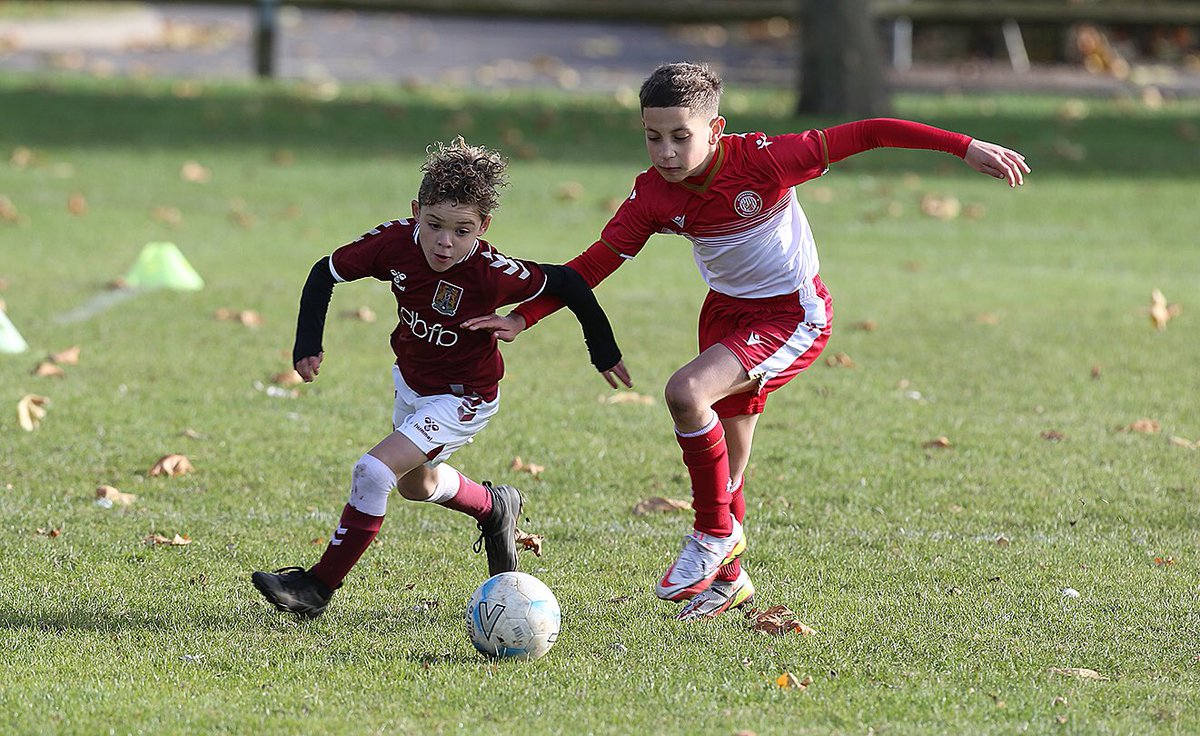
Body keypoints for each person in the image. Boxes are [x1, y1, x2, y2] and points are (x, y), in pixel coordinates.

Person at [464, 62, 1030, 621]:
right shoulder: (653, 195)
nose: (665, 152)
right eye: (653, 137)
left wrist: (964, 147)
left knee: (686, 393)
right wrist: (525, 317)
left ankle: (713, 534)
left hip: (791, 315)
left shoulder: (764, 160)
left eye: (680, 136)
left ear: (715, 129)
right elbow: (596, 262)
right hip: (724, 316)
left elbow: (871, 131)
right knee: (727, 468)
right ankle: (730, 581)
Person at [252, 137, 629, 619]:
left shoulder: (490, 272)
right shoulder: (394, 243)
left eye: (461, 230)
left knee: (373, 472)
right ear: (416, 213)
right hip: (411, 384)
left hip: (464, 397)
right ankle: (494, 507)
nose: (444, 242)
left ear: (483, 227)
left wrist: (589, 345)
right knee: (417, 485)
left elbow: (569, 282)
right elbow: (324, 273)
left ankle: (316, 587)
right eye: (433, 225)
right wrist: (308, 342)